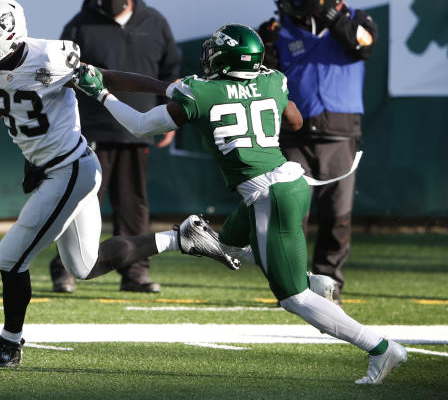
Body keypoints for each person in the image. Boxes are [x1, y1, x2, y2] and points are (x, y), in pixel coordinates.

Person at [73, 23, 406, 384]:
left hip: (268, 194)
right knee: (228, 245)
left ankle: (380, 347)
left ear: (221, 57)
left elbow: (139, 125)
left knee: (292, 299)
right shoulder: (272, 81)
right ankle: (307, 279)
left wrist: (102, 94)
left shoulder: (198, 92)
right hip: (288, 181)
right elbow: (295, 120)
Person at [0, 0, 241, 369]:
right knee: (84, 265)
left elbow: (106, 76)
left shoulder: (51, 56)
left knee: (11, 256)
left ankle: (9, 346)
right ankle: (181, 238)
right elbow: (0, 93)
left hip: (69, 169)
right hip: (59, 167)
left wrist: (166, 88)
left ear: (9, 34)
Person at [49, 0, 181, 294]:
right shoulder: (80, 24)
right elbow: (63, 74)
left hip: (139, 126)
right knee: (80, 200)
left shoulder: (155, 22)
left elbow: (170, 71)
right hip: (92, 128)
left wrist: (170, 119)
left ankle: (135, 273)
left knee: (133, 205)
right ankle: (65, 269)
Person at [257, 0, 378, 305]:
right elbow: (264, 76)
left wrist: (333, 16)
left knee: (337, 214)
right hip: (293, 133)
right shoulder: (277, 28)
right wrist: (266, 46)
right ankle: (291, 282)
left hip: (341, 132)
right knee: (291, 212)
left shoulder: (357, 20)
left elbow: (362, 45)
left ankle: (330, 284)